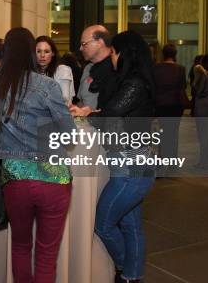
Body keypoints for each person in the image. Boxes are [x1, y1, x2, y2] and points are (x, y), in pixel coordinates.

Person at [0, 27, 75, 283]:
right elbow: (68, 135)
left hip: (15, 177)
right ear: (31, 52)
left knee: (20, 246)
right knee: (47, 254)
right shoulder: (47, 85)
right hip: (52, 178)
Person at [70, 30, 156, 283]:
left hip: (131, 167)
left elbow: (110, 116)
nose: (113, 57)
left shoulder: (134, 83)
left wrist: (88, 114)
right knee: (131, 226)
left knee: (103, 223)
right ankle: (132, 276)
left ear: (124, 53)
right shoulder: (134, 80)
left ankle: (125, 268)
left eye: (115, 52)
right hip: (132, 164)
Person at [153, 44, 188, 160]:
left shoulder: (156, 68)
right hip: (175, 105)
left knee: (162, 131)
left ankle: (163, 156)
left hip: (160, 105)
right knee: (173, 132)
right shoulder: (180, 69)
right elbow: (182, 89)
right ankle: (172, 157)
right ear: (175, 54)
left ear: (163, 54)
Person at [76, 25, 114, 110]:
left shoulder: (116, 68)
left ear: (100, 43)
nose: (80, 48)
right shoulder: (88, 69)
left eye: (84, 44)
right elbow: (82, 101)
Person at [35, 36, 75, 105]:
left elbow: (64, 98)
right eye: (38, 51)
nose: (42, 55)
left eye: (46, 51)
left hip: (60, 114)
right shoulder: (31, 73)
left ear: (53, 53)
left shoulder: (62, 70)